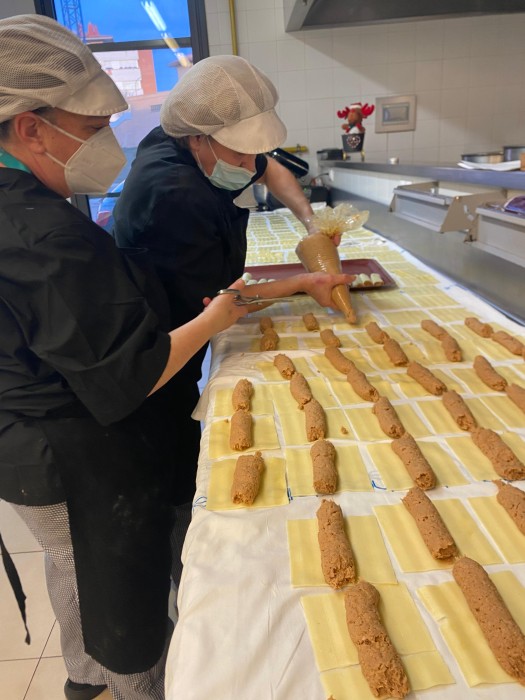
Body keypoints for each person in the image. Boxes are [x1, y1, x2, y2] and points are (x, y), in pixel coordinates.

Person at [0, 16, 350, 700]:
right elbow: (126, 371)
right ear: (31, 129)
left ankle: (85, 674)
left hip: (44, 417)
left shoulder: (30, 200)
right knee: (103, 577)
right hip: (56, 444)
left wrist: (295, 258)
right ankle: (126, 683)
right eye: (91, 126)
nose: (106, 142)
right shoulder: (42, 233)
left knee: (76, 565)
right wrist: (219, 315)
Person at [112, 56, 346, 575]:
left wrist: (310, 220)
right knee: (172, 454)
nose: (248, 163)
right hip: (159, 341)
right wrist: (303, 284)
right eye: (239, 153)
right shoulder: (174, 196)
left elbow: (269, 166)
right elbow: (220, 307)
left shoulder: (183, 137)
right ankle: (183, 560)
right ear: (199, 139)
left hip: (188, 305)